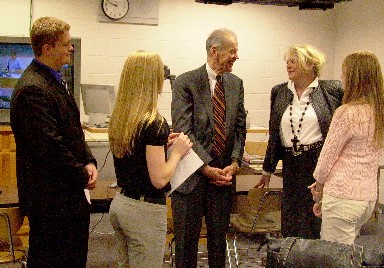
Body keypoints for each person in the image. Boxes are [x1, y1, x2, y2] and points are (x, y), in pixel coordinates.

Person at [10, 17, 98, 268]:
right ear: (47, 48)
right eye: (66, 44)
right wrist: (82, 174)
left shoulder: (53, 80)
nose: (71, 49)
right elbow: (50, 147)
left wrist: (89, 160)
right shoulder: (33, 88)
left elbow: (73, 132)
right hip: (51, 202)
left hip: (66, 198)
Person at [108, 50, 192, 268]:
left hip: (122, 204)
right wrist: (176, 153)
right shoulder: (154, 123)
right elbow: (159, 180)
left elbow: (136, 155)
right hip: (144, 212)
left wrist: (161, 144)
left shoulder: (121, 118)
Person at [171, 28, 247, 267]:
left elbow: (239, 129)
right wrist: (206, 168)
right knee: (186, 245)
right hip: (191, 177)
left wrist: (234, 163)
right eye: (232, 51)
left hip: (223, 178)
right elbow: (184, 131)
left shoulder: (236, 83)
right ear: (214, 51)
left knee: (218, 244)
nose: (236, 56)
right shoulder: (186, 82)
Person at [255, 44, 343, 239]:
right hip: (291, 162)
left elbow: (341, 131)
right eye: (287, 61)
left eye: (293, 61)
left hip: (319, 162)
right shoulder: (279, 91)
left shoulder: (332, 90)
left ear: (310, 64)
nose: (288, 65)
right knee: (291, 217)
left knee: (315, 218)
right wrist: (267, 170)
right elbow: (274, 134)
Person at [310, 51, 384, 245]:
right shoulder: (383, 112)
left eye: (344, 73)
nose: (341, 78)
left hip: (342, 196)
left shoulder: (346, 113)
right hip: (367, 199)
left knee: (334, 257)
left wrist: (319, 190)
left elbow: (327, 157)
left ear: (354, 78)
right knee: (348, 254)